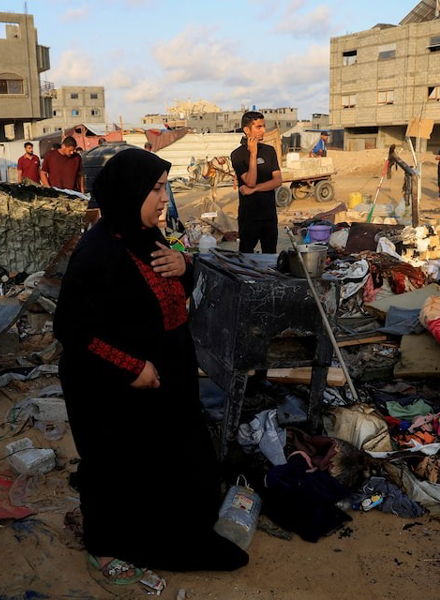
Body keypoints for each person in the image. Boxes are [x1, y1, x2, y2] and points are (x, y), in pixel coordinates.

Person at [54, 149, 249, 585]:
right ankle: (105, 548)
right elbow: (71, 329)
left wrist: (186, 266)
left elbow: (180, 285)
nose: (165, 198)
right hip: (112, 388)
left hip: (166, 379)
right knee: (116, 468)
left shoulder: (148, 238)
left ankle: (174, 531)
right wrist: (131, 368)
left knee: (180, 461)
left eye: (166, 187)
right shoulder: (97, 252)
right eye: (157, 188)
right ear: (130, 191)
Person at [230, 111, 282, 253]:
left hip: (269, 216)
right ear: (247, 130)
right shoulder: (237, 155)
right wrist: (253, 154)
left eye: (264, 126)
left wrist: (254, 189)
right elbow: (250, 181)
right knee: (245, 257)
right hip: (249, 217)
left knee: (270, 257)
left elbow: (277, 180)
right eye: (259, 127)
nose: (263, 131)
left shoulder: (269, 151)